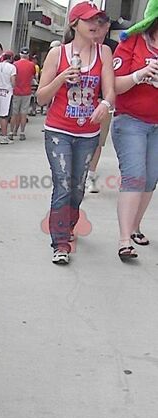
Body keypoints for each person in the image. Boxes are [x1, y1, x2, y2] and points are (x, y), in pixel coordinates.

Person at [36, 1, 115, 265]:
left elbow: (110, 92)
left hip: (88, 133)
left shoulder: (103, 52)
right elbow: (40, 98)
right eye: (90, 21)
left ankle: (68, 225)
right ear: (74, 24)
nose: (96, 26)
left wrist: (104, 105)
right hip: (58, 130)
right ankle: (60, 241)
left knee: (78, 187)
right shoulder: (57, 54)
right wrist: (60, 79)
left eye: (100, 22)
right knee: (63, 183)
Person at [111, 0, 158, 261]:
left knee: (151, 179)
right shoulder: (132, 42)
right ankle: (124, 239)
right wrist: (140, 75)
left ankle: (135, 226)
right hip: (130, 121)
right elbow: (115, 85)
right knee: (135, 176)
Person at [85, 13, 118, 193]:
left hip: (103, 101)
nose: (96, 29)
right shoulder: (81, 45)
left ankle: (90, 174)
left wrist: (106, 100)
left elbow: (114, 78)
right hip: (81, 101)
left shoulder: (113, 48)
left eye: (100, 25)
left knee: (98, 141)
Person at [0, 51, 17, 144]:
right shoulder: (12, 67)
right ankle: (4, 137)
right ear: (11, 58)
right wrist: (14, 87)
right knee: (4, 115)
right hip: (7, 92)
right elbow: (13, 81)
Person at [11, 47, 37, 140]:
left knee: (14, 113)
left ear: (20, 54)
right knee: (23, 113)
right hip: (27, 91)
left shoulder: (15, 64)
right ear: (28, 55)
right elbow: (33, 76)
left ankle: (12, 132)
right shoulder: (31, 65)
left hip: (16, 91)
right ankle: (22, 132)